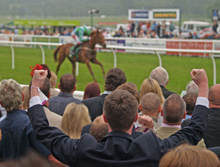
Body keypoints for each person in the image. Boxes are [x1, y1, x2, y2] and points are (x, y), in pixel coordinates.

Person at [28, 68, 209, 167]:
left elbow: (42, 129)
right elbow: (194, 130)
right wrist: (203, 87)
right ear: (135, 118)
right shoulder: (151, 147)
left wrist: (35, 88)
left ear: (105, 118)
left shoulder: (85, 148)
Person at [0, 79, 50, 160]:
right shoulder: (32, 123)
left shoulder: (2, 127)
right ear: (22, 97)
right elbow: (49, 156)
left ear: (1, 103)